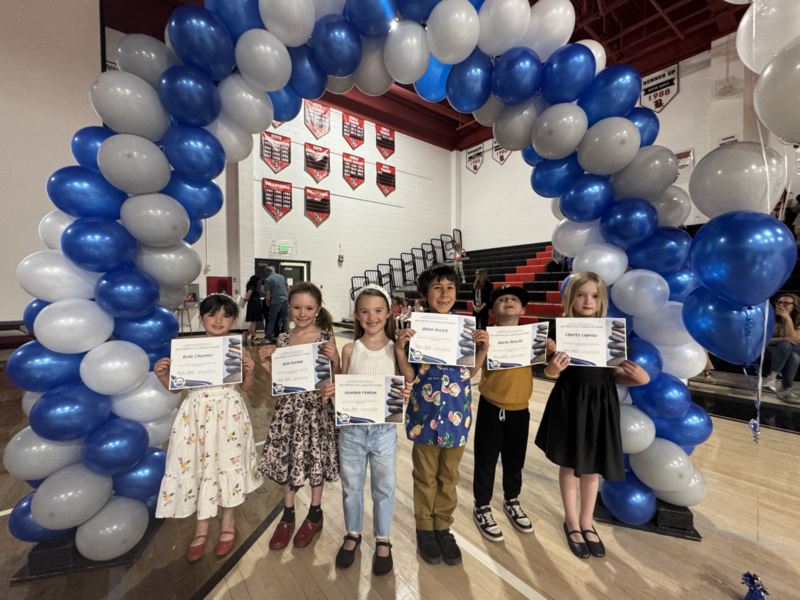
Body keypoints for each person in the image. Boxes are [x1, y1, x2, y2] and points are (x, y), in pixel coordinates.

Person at [535, 271, 650, 560]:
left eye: (594, 295)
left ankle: (587, 522)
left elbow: (615, 376)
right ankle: (571, 520)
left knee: (592, 465)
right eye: (581, 294)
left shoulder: (612, 333)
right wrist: (553, 368)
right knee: (569, 462)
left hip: (601, 402)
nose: (588, 300)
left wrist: (638, 379)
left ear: (602, 300)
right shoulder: (557, 330)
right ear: (570, 298)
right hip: (570, 399)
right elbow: (547, 372)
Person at [153, 294, 263, 561]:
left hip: (229, 415)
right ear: (200, 319)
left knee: (227, 463)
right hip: (196, 415)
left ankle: (228, 523)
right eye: (212, 314)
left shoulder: (238, 349)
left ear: (234, 320)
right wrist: (164, 376)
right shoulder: (188, 348)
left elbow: (246, 389)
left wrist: (248, 373)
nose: (218, 320)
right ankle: (201, 528)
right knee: (197, 465)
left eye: (226, 315)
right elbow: (177, 388)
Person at [396, 265, 489, 567]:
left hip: (456, 415)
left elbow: (469, 373)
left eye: (450, 287)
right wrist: (400, 348)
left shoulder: (464, 329)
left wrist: (483, 349)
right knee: (424, 474)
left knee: (449, 476)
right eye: (437, 287)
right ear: (424, 295)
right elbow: (409, 375)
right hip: (425, 415)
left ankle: (443, 526)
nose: (445, 293)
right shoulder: (415, 330)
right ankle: (425, 527)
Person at [319, 285, 411, 576]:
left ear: (389, 313)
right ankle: (353, 533)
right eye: (365, 311)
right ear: (357, 316)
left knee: (384, 487)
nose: (372, 316)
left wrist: (406, 392)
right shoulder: (350, 348)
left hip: (384, 432)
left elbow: (407, 379)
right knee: (352, 488)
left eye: (378, 310)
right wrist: (333, 387)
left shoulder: (396, 349)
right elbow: (343, 383)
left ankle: (382, 538)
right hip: (352, 433)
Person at [257, 282, 341, 550]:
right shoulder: (282, 339)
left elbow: (336, 379)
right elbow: (281, 382)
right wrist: (264, 364)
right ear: (288, 307)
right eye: (296, 307)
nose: (302, 313)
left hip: (317, 410)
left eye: (309, 307)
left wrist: (336, 360)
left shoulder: (326, 338)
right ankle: (288, 513)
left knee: (316, 460)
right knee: (290, 459)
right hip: (289, 411)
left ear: (317, 308)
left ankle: (315, 513)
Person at [472, 285, 555, 542]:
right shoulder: (485, 336)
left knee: (515, 460)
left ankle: (512, 500)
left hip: (521, 409)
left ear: (523, 309)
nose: (508, 301)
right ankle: (482, 506)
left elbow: (551, 373)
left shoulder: (533, 339)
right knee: (485, 460)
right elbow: (473, 370)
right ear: (493, 311)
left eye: (514, 299)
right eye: (501, 300)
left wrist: (551, 353)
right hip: (491, 407)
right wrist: (481, 348)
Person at [763, 293, 800, 404]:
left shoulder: (798, 320)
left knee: (791, 351)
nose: (781, 305)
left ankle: (772, 378)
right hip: (771, 348)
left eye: (786, 303)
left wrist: (787, 319)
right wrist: (783, 338)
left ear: (794, 306)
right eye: (779, 302)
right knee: (788, 348)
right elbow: (764, 340)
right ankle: (785, 389)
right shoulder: (769, 317)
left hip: (791, 349)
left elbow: (795, 341)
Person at [261, 266, 289, 344]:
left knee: (272, 320)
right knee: (285, 318)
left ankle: (268, 337)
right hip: (284, 300)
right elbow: (288, 288)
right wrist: (287, 297)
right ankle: (288, 334)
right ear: (274, 270)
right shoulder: (282, 277)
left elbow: (268, 293)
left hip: (275, 301)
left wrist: (267, 302)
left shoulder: (268, 279)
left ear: (266, 272)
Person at [244, 275, 263, 346]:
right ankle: (253, 335)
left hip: (254, 303)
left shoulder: (251, 287)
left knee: (255, 320)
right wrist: (246, 299)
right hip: (254, 304)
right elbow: (248, 297)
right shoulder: (251, 287)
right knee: (254, 320)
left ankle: (248, 333)